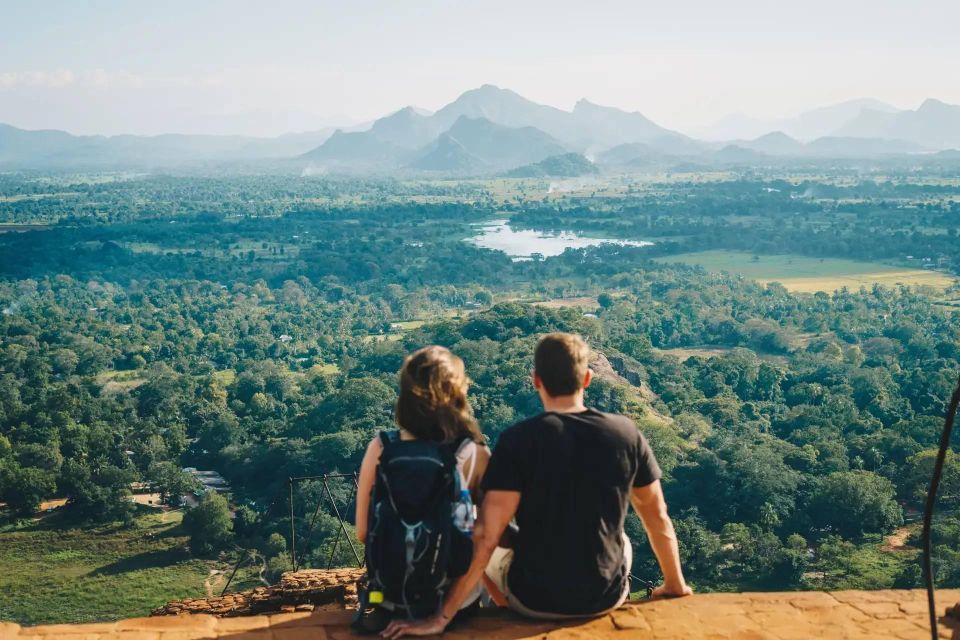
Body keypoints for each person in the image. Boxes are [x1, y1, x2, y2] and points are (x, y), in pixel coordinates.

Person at [382, 333, 691, 638]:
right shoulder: (625, 433)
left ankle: (504, 612)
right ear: (586, 379)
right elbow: (656, 517)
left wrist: (441, 617)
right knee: (621, 538)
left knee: (484, 534)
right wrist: (674, 585)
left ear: (536, 380)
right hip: (603, 597)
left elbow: (487, 537)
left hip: (532, 599)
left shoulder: (518, 440)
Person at [353, 345, 490, 630]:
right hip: (451, 606)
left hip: (389, 602)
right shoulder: (473, 452)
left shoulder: (381, 447)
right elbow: (484, 537)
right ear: (456, 394)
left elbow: (364, 532)